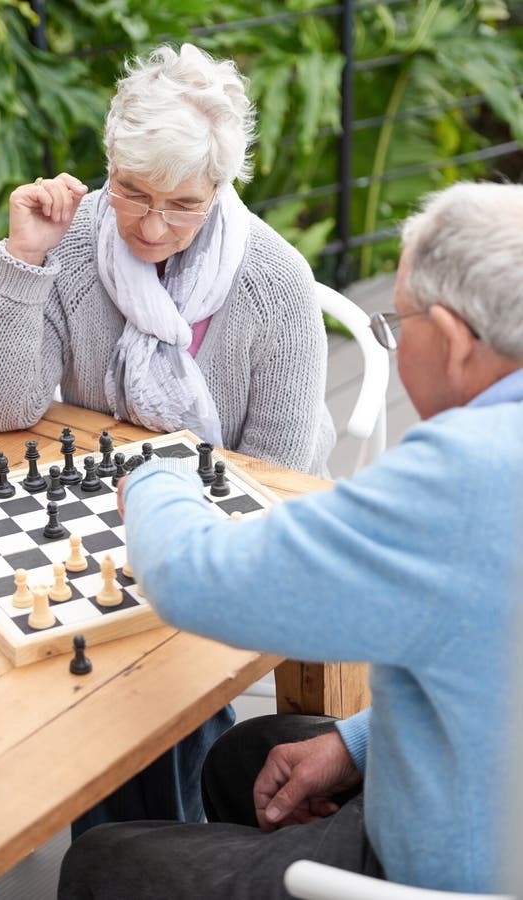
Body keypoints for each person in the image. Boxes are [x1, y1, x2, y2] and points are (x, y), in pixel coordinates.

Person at [57, 180, 523, 898]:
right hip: (488, 790)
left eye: (398, 325)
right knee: (242, 756)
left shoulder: (468, 474)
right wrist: (355, 743)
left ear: (457, 342)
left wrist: (155, 477)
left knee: (102, 862)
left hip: (438, 871)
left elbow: (195, 578)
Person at [0, 45, 335, 835]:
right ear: (109, 164)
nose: (154, 226)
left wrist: (170, 531)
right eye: (133, 192)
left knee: (129, 685)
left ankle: (142, 852)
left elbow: (280, 479)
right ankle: (153, 846)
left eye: (185, 204)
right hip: (101, 523)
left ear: (224, 186)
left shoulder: (277, 282)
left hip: (239, 533)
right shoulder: (72, 241)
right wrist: (23, 258)